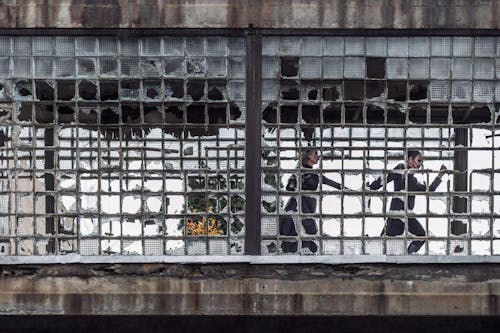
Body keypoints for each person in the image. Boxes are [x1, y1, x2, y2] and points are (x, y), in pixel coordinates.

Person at [367, 150, 447, 254]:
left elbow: (429, 189)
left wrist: (440, 175)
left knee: (387, 244)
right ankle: (407, 255)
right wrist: (368, 189)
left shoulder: (412, 180)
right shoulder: (401, 169)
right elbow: (384, 180)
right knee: (420, 236)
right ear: (409, 159)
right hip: (400, 213)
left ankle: (405, 255)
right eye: (419, 161)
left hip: (399, 215)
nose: (420, 164)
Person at [280, 148, 344, 254]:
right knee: (296, 234)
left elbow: (335, 184)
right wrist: (299, 184)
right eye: (315, 154)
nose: (317, 157)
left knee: (308, 236)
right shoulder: (299, 171)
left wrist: (355, 191)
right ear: (308, 155)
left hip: (308, 208)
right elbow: (289, 187)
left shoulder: (316, 174)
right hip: (297, 207)